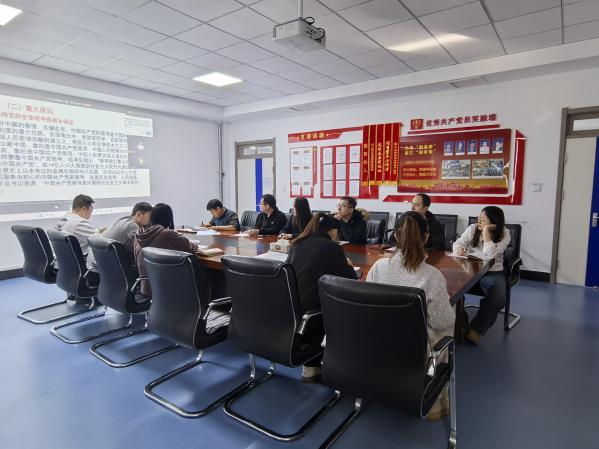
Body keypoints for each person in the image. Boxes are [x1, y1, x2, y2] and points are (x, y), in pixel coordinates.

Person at [366, 211, 455, 421]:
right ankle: (435, 403)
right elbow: (441, 321)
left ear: (396, 236)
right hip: (415, 355)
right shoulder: (432, 276)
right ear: (426, 237)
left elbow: (368, 308)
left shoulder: (378, 267)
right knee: (446, 323)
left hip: (377, 346)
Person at [286, 213, 357, 382]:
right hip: (312, 318)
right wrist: (349, 266)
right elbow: (350, 280)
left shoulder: (297, 244)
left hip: (291, 312)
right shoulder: (332, 247)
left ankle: (311, 367)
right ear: (333, 232)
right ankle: (319, 365)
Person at [452, 206, 510, 345]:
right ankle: (461, 322)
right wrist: (459, 249)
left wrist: (486, 231)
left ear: (494, 222)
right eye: (479, 218)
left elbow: (490, 255)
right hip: (469, 270)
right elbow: (458, 243)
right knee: (450, 287)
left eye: (483, 220)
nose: (479, 221)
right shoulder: (472, 228)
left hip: (491, 272)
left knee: (499, 296)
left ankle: (477, 329)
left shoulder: (504, 233)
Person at [134, 203, 198, 299]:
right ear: (168, 218)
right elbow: (190, 248)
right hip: (165, 288)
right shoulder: (166, 234)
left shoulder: (139, 234)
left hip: (146, 287)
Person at [86, 202, 153, 271]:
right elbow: (141, 249)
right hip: (101, 267)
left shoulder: (124, 220)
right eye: (149, 216)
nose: (150, 219)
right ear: (139, 214)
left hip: (94, 263)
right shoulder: (132, 226)